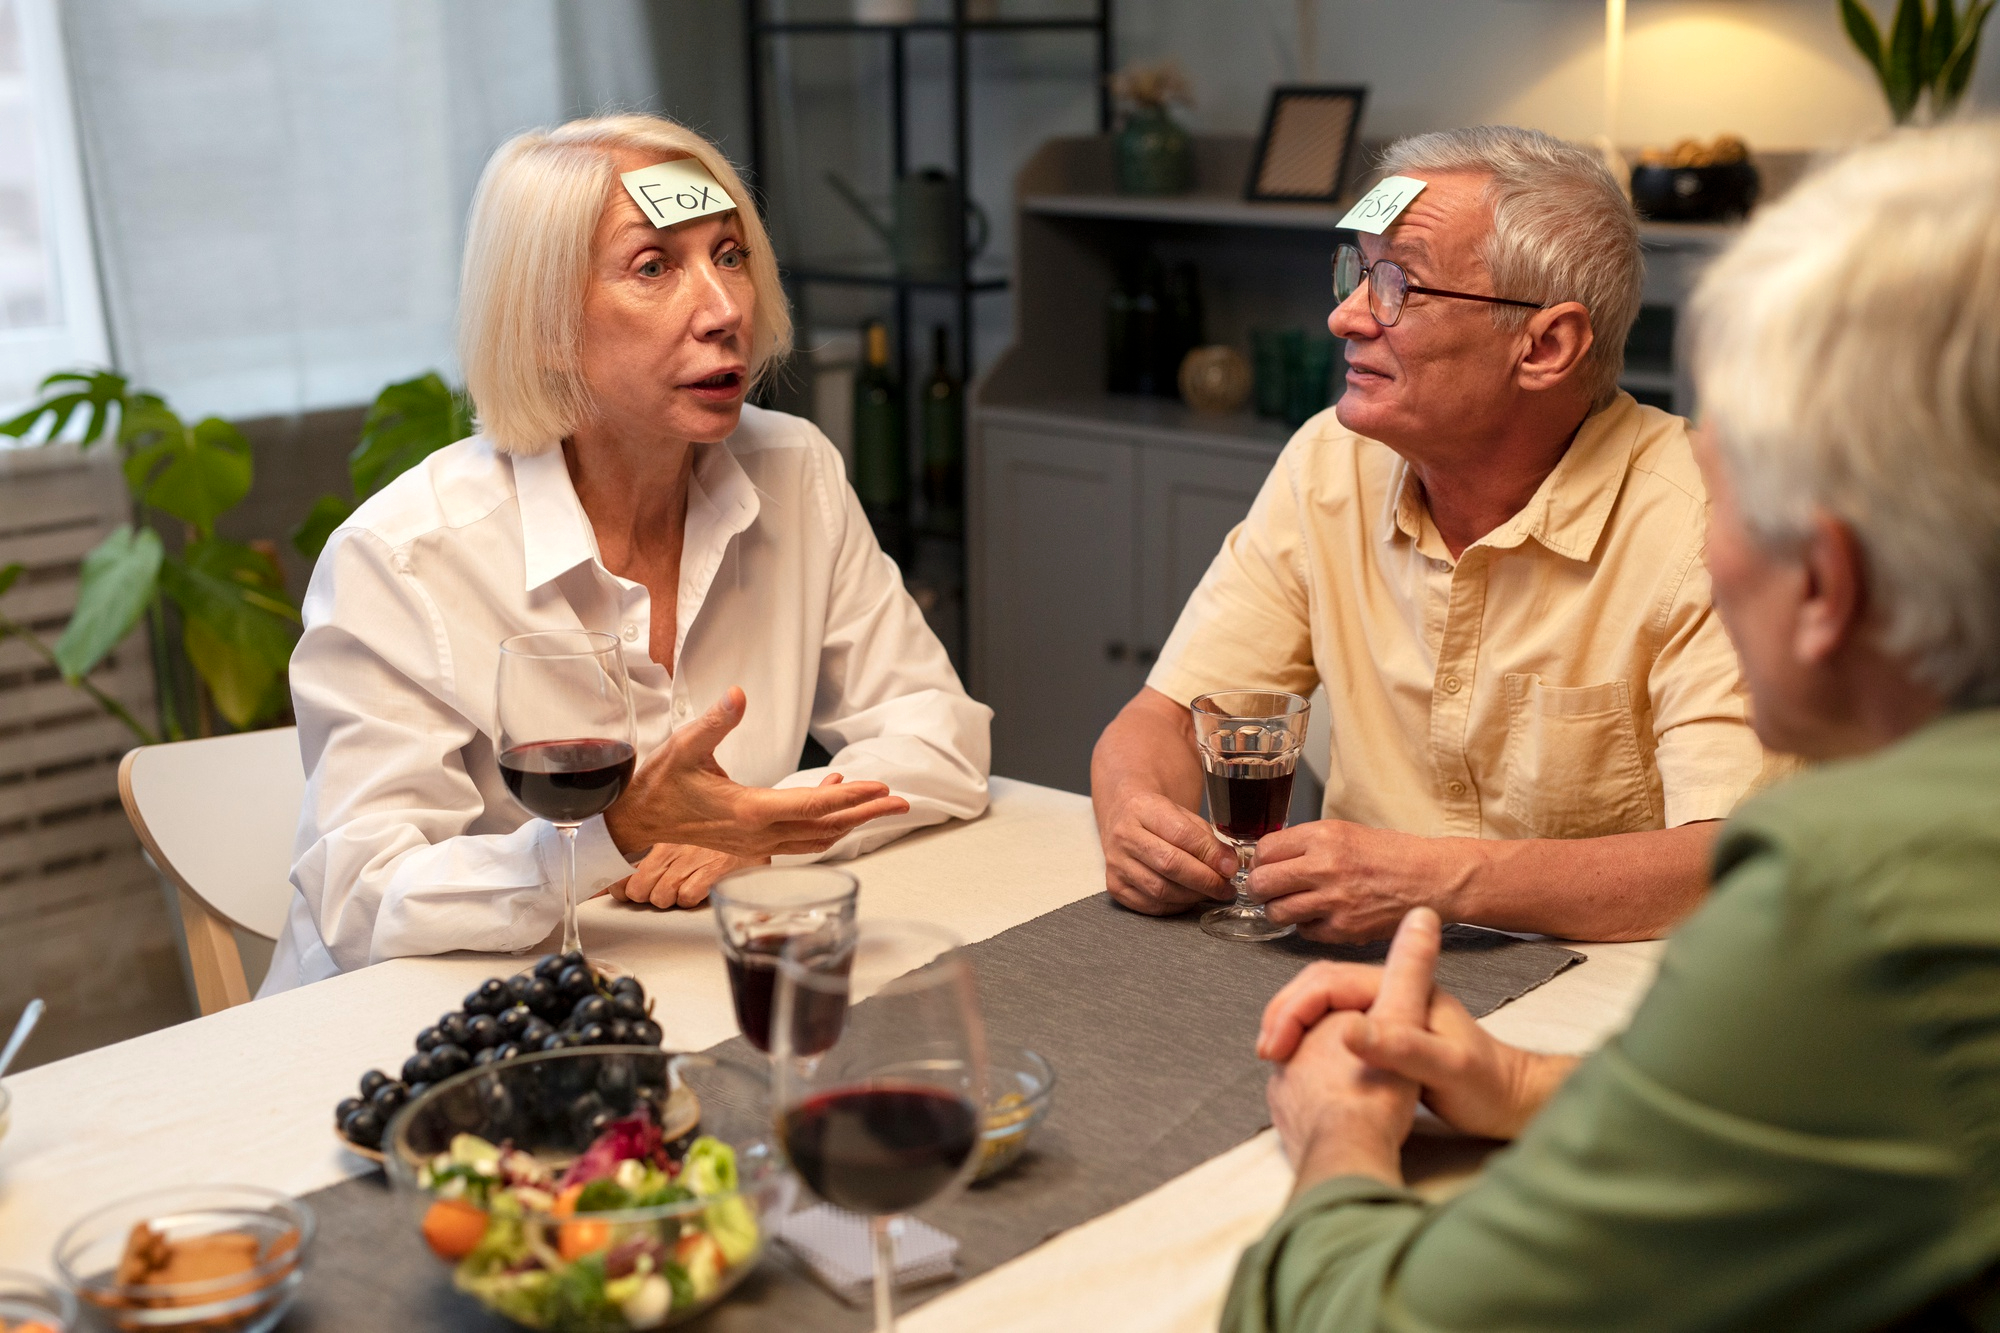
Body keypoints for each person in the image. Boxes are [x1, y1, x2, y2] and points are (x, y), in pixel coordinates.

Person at [1224, 122, 2000, 1330]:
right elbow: (1812, 1111)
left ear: (1825, 581)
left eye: (1734, 492)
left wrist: (1335, 1141)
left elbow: (1384, 1318)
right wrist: (1521, 1080)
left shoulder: (1852, 894)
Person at [262, 115, 990, 992]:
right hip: (412, 1037)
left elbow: (938, 734)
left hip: (681, 995)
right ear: (544, 326)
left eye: (730, 254)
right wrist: (613, 837)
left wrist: (754, 825)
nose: (725, 310)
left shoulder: (797, 473)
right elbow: (361, 902)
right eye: (654, 267)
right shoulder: (404, 558)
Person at [1092, 126, 1777, 944]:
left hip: (1603, 998)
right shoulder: (1330, 461)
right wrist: (1136, 814)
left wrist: (1434, 882)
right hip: (1350, 968)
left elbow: (1732, 863)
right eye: (1355, 271)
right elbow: (1163, 719)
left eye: (1398, 285)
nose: (1344, 314)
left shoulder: (1713, 517)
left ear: (1546, 345)